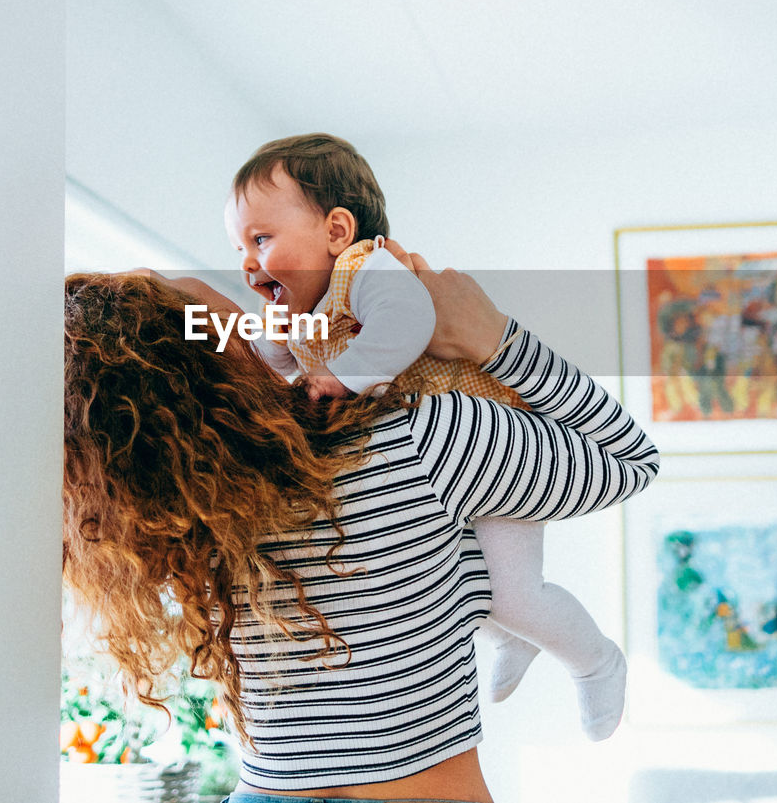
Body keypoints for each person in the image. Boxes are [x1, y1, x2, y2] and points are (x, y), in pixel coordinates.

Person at [62, 254, 659, 802]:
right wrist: (496, 338)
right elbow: (631, 461)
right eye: (166, 286)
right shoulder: (415, 439)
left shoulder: (183, 528)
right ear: (207, 354)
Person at [222, 134, 629, 738]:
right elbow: (287, 378)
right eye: (238, 248)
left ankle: (595, 661)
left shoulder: (368, 267)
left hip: (491, 436)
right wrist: (276, 342)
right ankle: (515, 642)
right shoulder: (308, 311)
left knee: (515, 593)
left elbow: (406, 322)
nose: (248, 263)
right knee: (466, 580)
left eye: (261, 239)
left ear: (337, 231)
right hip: (436, 461)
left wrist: (342, 375)